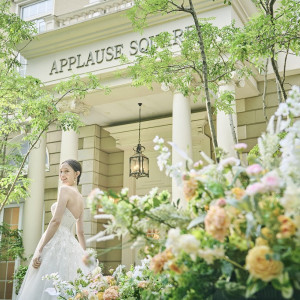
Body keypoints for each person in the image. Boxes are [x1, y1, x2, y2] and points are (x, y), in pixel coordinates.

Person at [17, 159, 92, 300]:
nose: (62, 175)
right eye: (60, 171)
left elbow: (56, 221)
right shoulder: (81, 198)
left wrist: (40, 248)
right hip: (71, 244)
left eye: (66, 171)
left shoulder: (64, 190)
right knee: (67, 282)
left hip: (56, 241)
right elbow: (80, 233)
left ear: (77, 174)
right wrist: (83, 255)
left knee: (47, 282)